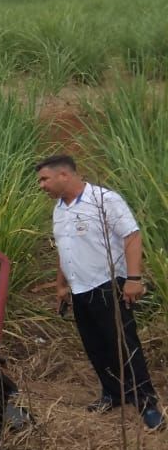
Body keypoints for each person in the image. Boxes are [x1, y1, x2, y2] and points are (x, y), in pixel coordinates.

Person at [37, 155, 162, 431]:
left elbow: (132, 236)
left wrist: (133, 279)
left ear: (64, 176)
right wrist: (61, 285)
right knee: (96, 346)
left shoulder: (104, 200)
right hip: (80, 290)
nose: (42, 185)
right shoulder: (59, 210)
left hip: (107, 285)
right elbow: (64, 249)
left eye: (44, 179)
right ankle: (113, 394)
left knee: (124, 345)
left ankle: (147, 403)